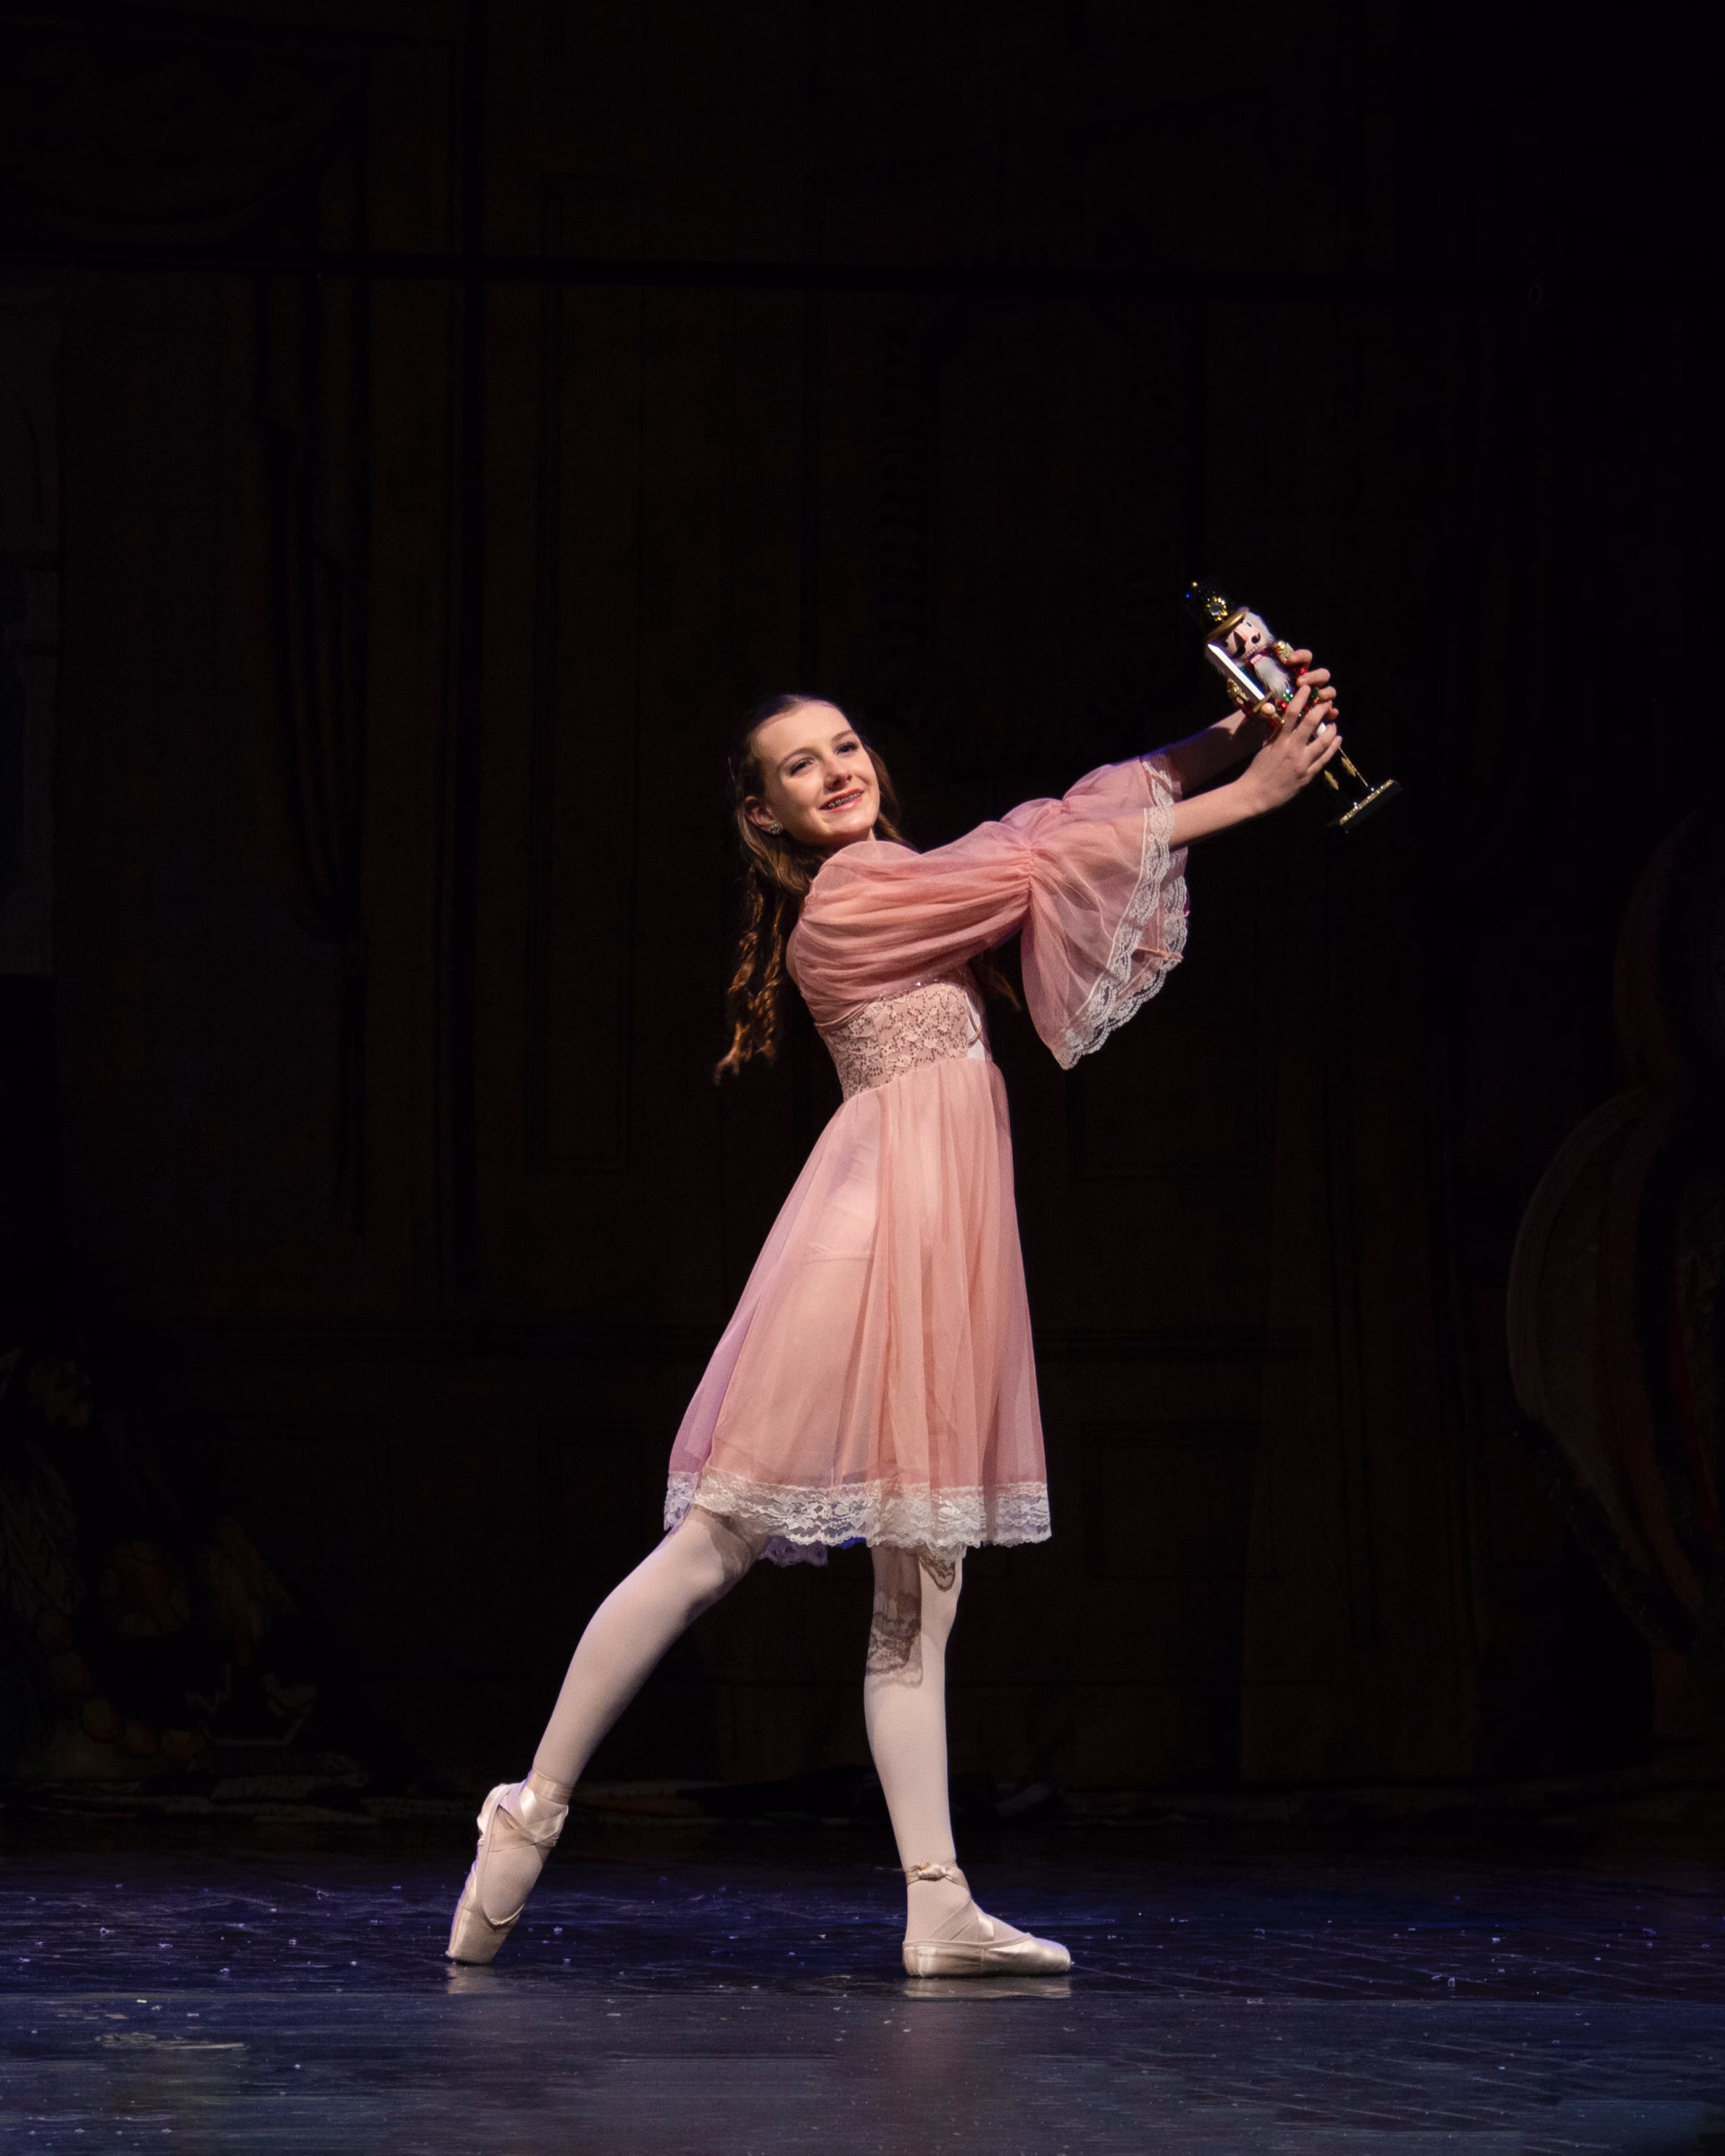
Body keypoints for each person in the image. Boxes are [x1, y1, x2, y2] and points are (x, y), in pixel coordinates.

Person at [447, 666, 1343, 1976]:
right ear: (764, 815)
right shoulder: (857, 897)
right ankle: (530, 1807)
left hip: (938, 1260)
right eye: (800, 765)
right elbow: (1056, 858)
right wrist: (1252, 795)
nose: (837, 769)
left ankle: (938, 1903)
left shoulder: (915, 874)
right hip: (866, 1251)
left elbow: (1064, 818)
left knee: (921, 1592)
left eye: (847, 744)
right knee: (716, 1545)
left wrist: (1234, 728)